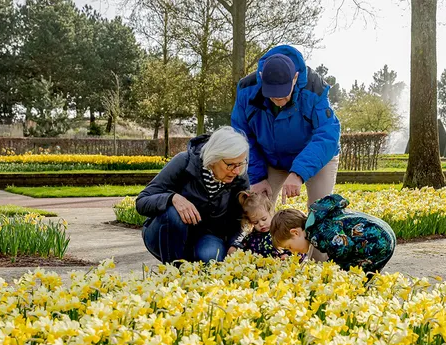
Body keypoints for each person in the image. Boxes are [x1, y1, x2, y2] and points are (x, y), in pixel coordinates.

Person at [231, 44, 341, 210]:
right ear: (261, 77)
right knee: (258, 210)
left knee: (321, 214)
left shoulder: (315, 88)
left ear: (295, 78)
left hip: (314, 156)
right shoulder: (247, 89)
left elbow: (327, 135)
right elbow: (242, 136)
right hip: (270, 158)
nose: (278, 99)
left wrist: (298, 172)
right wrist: (257, 177)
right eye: (272, 93)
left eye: (283, 93)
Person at [136, 127, 249, 263]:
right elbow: (142, 201)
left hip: (208, 237)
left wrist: (235, 244)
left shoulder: (239, 177)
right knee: (173, 212)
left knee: (211, 257)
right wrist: (172, 198)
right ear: (213, 158)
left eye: (241, 164)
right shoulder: (184, 162)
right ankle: (173, 271)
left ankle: (192, 273)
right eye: (230, 165)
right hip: (166, 234)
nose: (236, 171)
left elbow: (240, 218)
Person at [270, 194, 396, 274]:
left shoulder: (318, 233)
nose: (293, 252)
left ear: (295, 233)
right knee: (358, 274)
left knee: (355, 278)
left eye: (290, 247)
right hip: (384, 233)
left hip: (377, 242)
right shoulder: (319, 220)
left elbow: (343, 247)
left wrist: (331, 268)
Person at [228, 190, 290, 259]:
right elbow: (242, 244)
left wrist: (287, 255)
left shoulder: (280, 231)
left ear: (271, 212)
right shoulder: (252, 236)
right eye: (255, 222)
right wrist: (235, 247)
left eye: (264, 219)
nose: (261, 224)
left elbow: (296, 247)